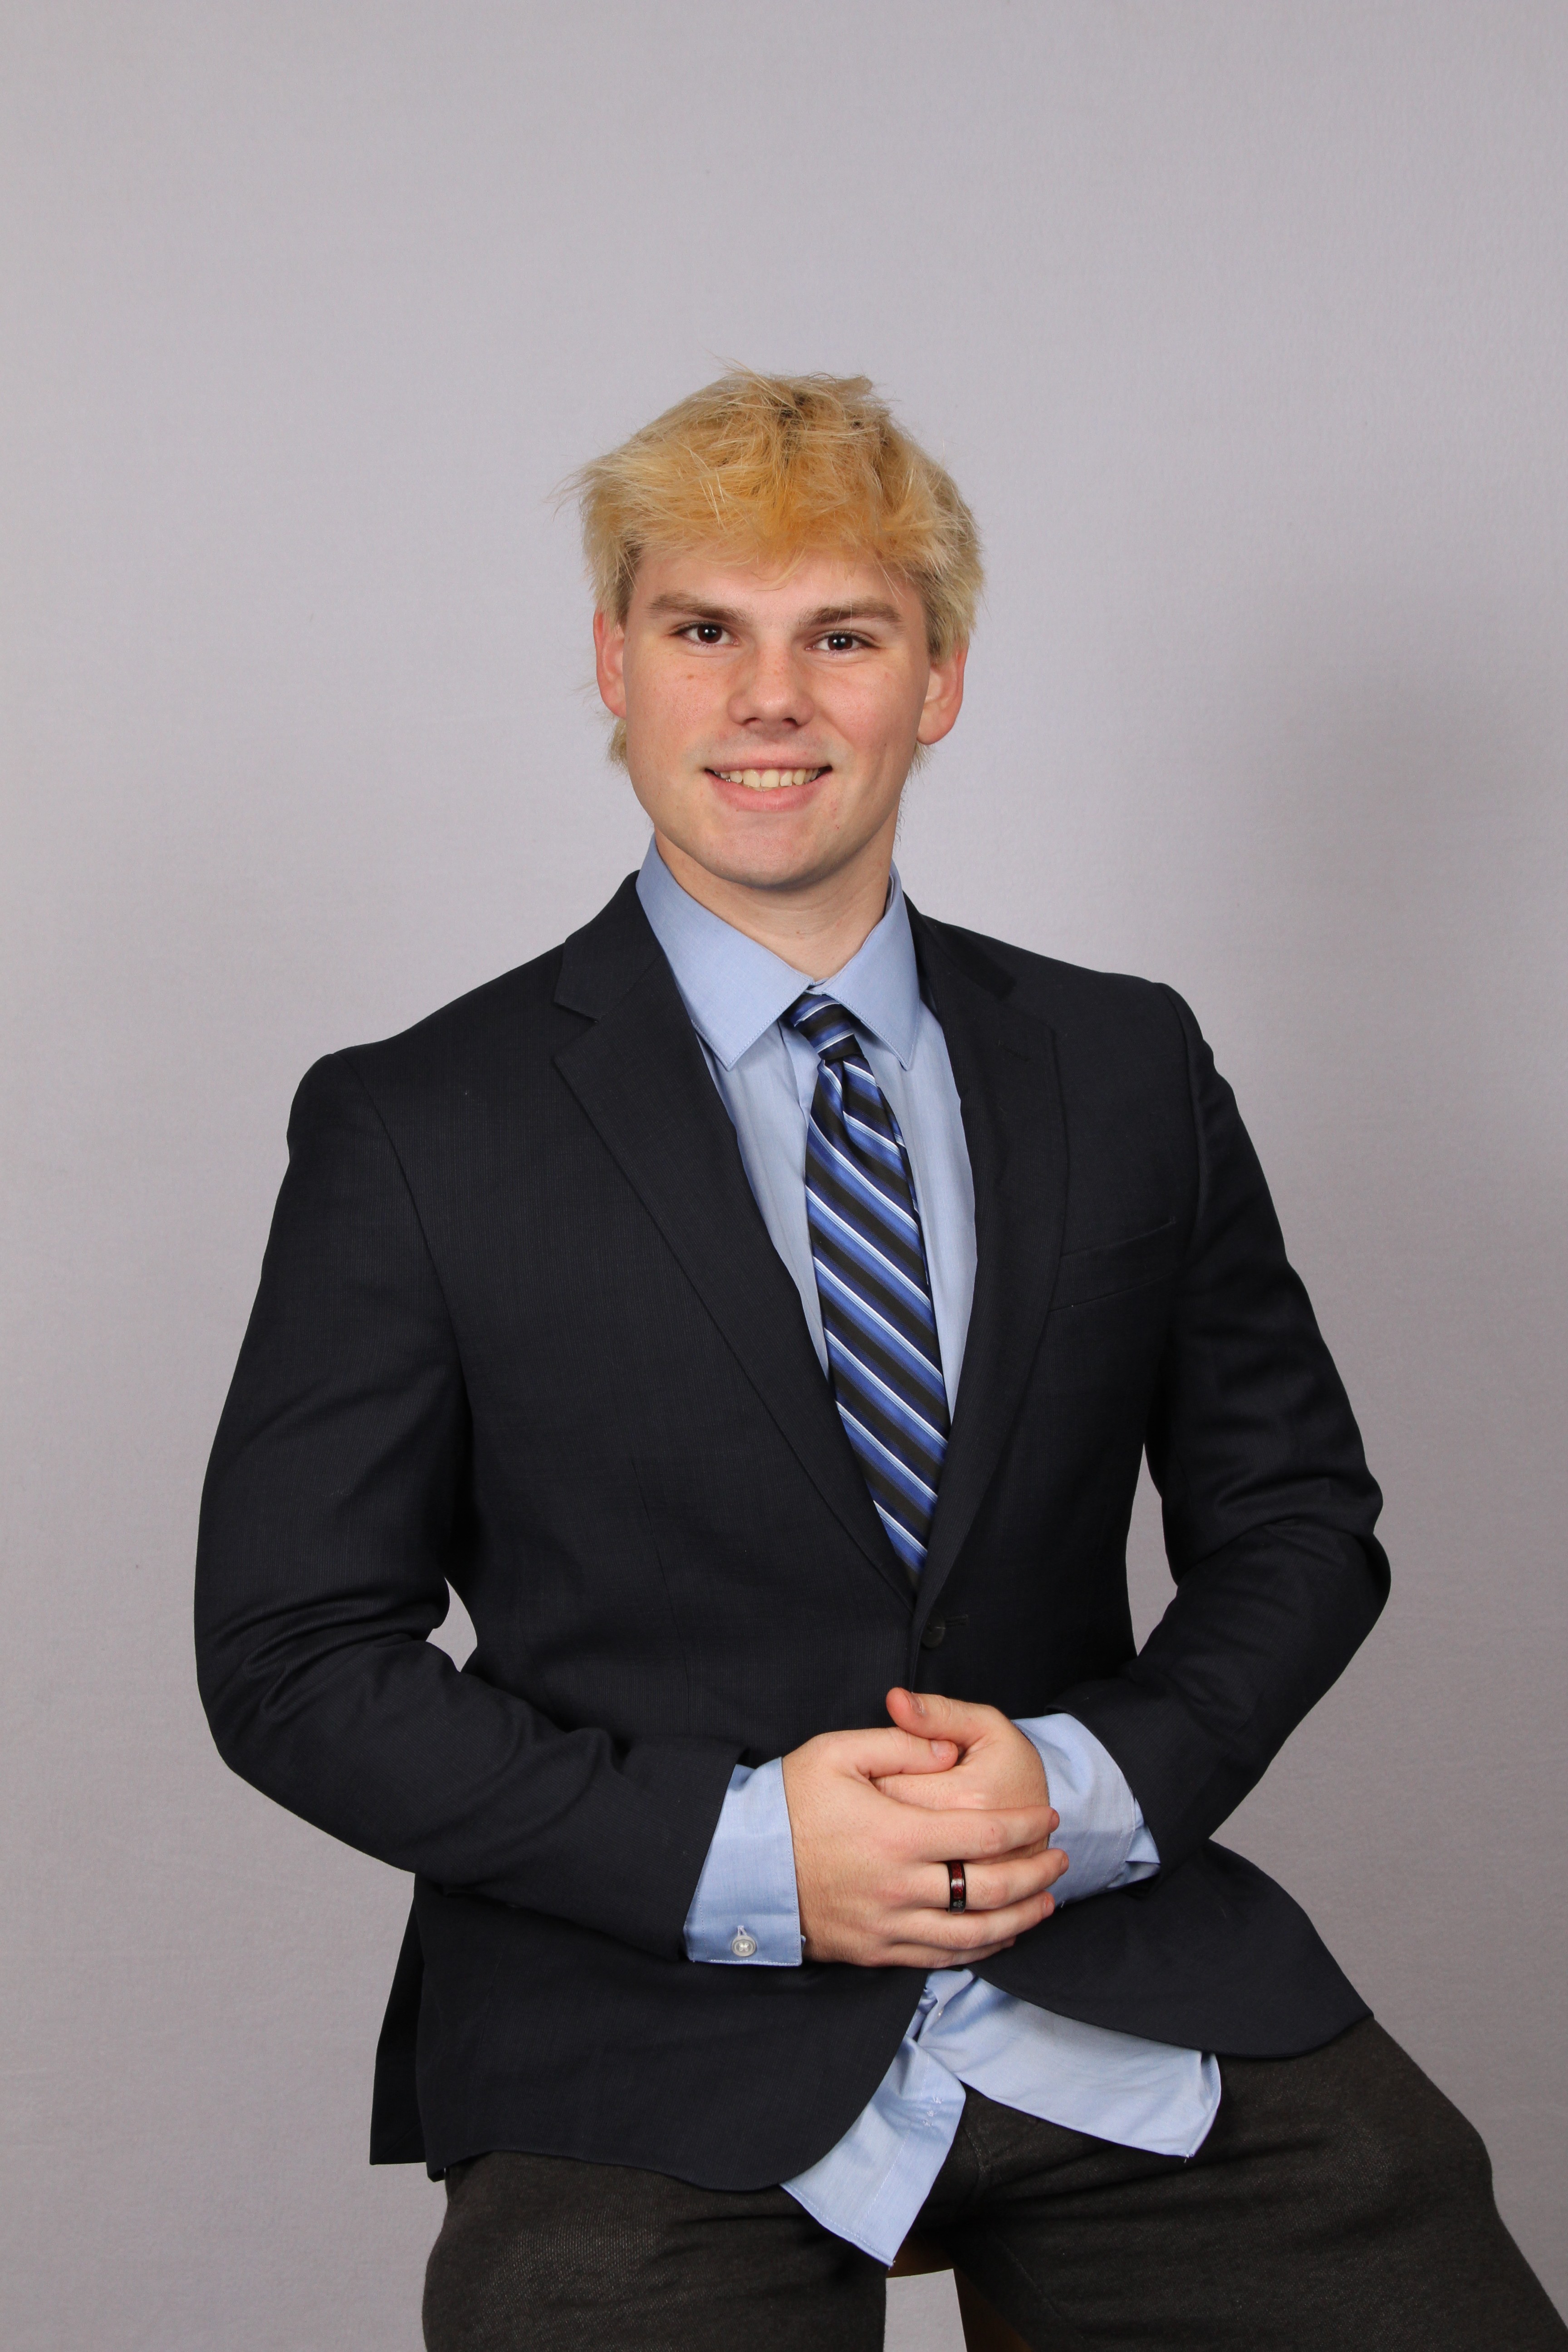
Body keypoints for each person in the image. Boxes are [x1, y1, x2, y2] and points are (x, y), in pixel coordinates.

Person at [195, 371, 1564, 2351]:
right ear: (615, 667)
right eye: (705, 631)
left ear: (938, 681)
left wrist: (1091, 1789)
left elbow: (1298, 1521)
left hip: (1112, 1960)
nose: (770, 699)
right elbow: (293, 1656)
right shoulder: (417, 1125)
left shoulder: (1126, 1064)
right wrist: (743, 1855)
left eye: (842, 635)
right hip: (635, 2011)